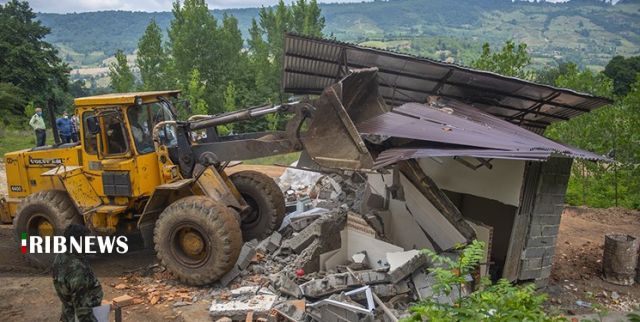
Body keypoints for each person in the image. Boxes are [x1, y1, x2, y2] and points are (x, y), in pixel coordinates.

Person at [52, 224, 103, 322]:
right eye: (87, 241)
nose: (90, 244)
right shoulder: (78, 270)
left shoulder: (61, 257)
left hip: (68, 313)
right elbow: (82, 310)